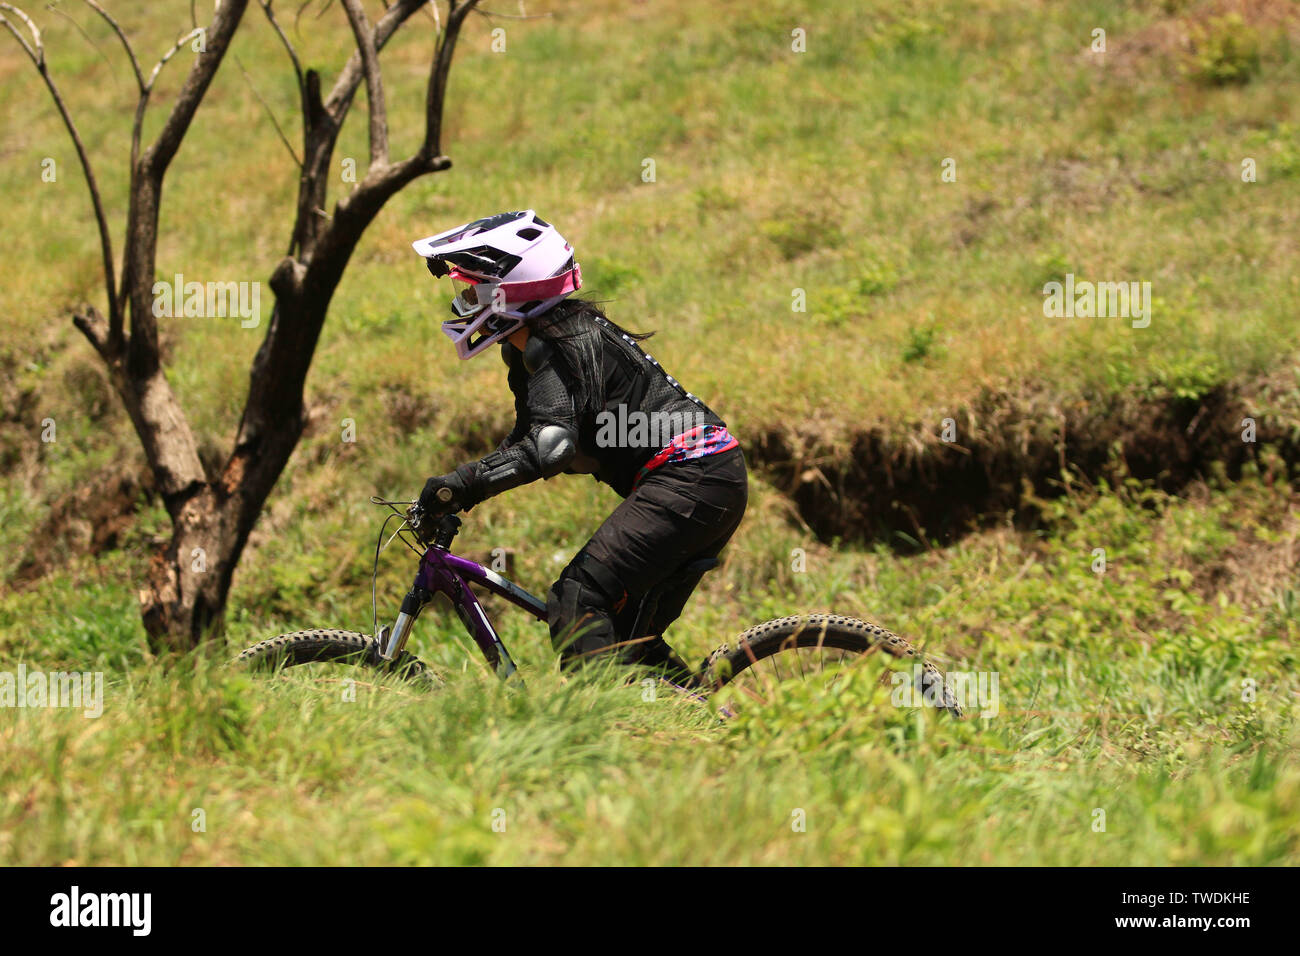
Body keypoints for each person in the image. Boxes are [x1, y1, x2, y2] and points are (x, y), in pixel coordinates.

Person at [410, 211, 747, 678]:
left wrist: (462, 485)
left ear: (512, 288)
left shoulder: (559, 340)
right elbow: (532, 439)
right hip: (708, 477)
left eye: (473, 290)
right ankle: (697, 725)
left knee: (578, 598)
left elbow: (552, 448)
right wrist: (463, 487)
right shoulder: (531, 344)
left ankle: (600, 740)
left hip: (692, 477)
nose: (465, 302)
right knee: (625, 636)